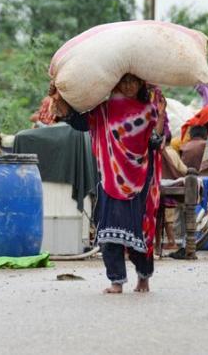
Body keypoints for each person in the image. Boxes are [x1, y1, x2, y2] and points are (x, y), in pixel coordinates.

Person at [54, 73, 166, 294]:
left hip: (140, 179)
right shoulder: (104, 110)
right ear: (116, 83)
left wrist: (161, 118)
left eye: (134, 81)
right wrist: (60, 98)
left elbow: (155, 142)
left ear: (141, 84)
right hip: (110, 179)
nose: (129, 86)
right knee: (109, 231)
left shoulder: (150, 110)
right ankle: (116, 281)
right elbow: (79, 122)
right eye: (124, 81)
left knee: (139, 230)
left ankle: (143, 277)